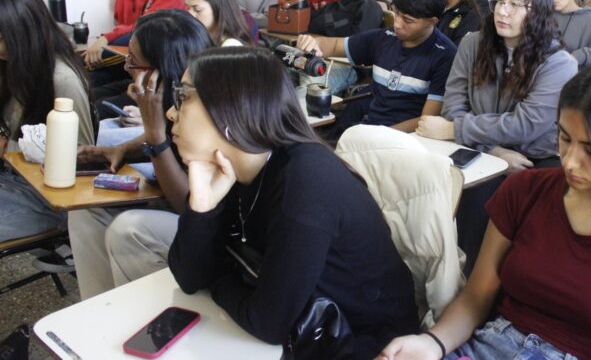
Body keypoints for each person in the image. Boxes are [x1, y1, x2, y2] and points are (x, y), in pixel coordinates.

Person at [378, 60, 591, 360]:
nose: (571, 161)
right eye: (565, 139)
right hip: (490, 346)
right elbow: (476, 296)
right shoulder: (526, 190)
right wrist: (433, 343)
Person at [166, 47, 418, 359]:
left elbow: (268, 322)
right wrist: (201, 207)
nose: (171, 112)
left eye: (183, 96)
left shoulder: (306, 179)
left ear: (229, 106)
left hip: (363, 343)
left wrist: (217, 276)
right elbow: (189, 278)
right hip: (304, 329)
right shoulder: (233, 167)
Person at [418, 0, 577, 274]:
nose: (502, 12)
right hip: (483, 149)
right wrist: (493, 151)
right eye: (499, 1)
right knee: (448, 190)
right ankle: (453, 282)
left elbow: (527, 124)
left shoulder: (559, 63)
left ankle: (490, 292)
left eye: (516, 5)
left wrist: (455, 130)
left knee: (501, 204)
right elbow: (454, 104)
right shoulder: (473, 44)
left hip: (535, 156)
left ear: (538, 12)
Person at [68, 10, 214, 299]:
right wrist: (122, 148)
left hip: (211, 229)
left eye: (133, 61)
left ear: (162, 70)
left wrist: (156, 135)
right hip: (182, 209)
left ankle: (137, 316)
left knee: (129, 230)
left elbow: (190, 206)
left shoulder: (206, 111)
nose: (126, 67)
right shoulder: (177, 99)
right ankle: (99, 307)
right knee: (86, 211)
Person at [297, 0, 456, 132]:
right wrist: (313, 43)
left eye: (407, 20)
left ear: (432, 21)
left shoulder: (444, 56)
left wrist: (378, 136)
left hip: (405, 140)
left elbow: (426, 122)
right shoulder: (385, 38)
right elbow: (333, 46)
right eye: (396, 13)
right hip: (370, 131)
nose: (397, 24)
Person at [0, 0, 94, 242]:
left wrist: (13, 149)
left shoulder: (61, 79)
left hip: (45, 199)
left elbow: (82, 159)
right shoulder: (13, 63)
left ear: (22, 32)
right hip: (13, 179)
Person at [86, 0, 186, 119]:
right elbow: (122, 22)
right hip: (129, 61)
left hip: (150, 71)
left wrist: (105, 39)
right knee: (88, 82)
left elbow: (143, 29)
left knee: (96, 104)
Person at [184, 0, 253, 47]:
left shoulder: (230, 45)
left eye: (197, 9)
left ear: (218, 8)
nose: (189, 14)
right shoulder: (201, 37)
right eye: (188, 8)